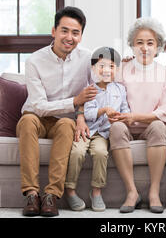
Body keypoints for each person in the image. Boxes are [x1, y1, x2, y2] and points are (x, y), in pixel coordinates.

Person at [16, 6, 97, 217]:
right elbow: (40, 107)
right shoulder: (34, 61)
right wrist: (75, 101)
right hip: (36, 117)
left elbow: (99, 90)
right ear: (54, 31)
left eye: (75, 33)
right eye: (64, 30)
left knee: (65, 125)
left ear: (81, 36)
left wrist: (80, 114)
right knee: (27, 122)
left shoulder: (88, 58)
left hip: (65, 121)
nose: (69, 37)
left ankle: (51, 195)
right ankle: (32, 194)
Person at [109, 17, 166, 214]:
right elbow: (113, 101)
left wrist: (135, 116)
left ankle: (154, 192)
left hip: (150, 127)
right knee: (116, 128)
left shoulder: (165, 74)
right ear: (132, 46)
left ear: (158, 46)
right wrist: (125, 117)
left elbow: (164, 112)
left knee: (159, 126)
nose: (144, 48)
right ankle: (132, 192)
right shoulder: (121, 70)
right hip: (124, 126)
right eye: (139, 43)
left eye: (150, 43)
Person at [64, 47, 130, 212]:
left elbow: (125, 109)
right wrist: (103, 110)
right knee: (77, 152)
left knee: (101, 153)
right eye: (101, 66)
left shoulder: (120, 89)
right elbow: (87, 112)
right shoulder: (90, 89)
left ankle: (96, 191)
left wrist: (121, 117)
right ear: (93, 69)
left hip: (103, 135)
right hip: (87, 131)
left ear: (117, 70)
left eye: (111, 66)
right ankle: (70, 190)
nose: (106, 70)